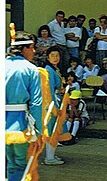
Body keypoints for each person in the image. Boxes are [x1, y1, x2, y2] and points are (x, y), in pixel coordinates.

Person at [5, 29, 43, 181]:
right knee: (21, 163)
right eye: (32, 47)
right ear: (24, 48)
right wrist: (39, 130)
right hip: (20, 124)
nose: (34, 51)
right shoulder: (31, 69)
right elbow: (36, 103)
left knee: (10, 163)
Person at [44, 46, 71, 165]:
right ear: (48, 57)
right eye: (53, 56)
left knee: (55, 129)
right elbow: (49, 89)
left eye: (57, 56)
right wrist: (53, 106)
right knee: (52, 130)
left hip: (57, 99)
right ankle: (49, 157)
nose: (55, 58)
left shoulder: (54, 69)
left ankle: (51, 155)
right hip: (52, 102)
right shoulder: (48, 70)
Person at [48, 10, 70, 74]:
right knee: (59, 61)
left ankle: (65, 74)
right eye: (59, 17)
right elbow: (50, 33)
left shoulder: (62, 23)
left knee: (66, 60)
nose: (60, 18)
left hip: (64, 44)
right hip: (57, 44)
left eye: (62, 17)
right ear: (56, 16)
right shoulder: (51, 24)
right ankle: (59, 73)